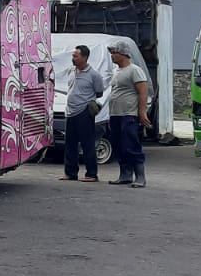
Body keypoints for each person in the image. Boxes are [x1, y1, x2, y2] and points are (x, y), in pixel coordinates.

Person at [106, 42, 151, 187]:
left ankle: (140, 176)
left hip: (129, 114)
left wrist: (142, 111)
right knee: (118, 145)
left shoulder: (134, 70)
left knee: (131, 145)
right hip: (115, 114)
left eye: (114, 53)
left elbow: (143, 91)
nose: (112, 56)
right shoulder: (116, 71)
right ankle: (125, 175)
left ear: (124, 54)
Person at [60, 44, 106, 183]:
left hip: (84, 112)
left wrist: (86, 100)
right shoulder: (71, 71)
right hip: (70, 112)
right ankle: (70, 173)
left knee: (87, 144)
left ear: (85, 57)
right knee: (70, 144)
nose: (73, 58)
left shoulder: (94, 75)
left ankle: (92, 174)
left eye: (76, 56)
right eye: (73, 56)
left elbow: (99, 92)